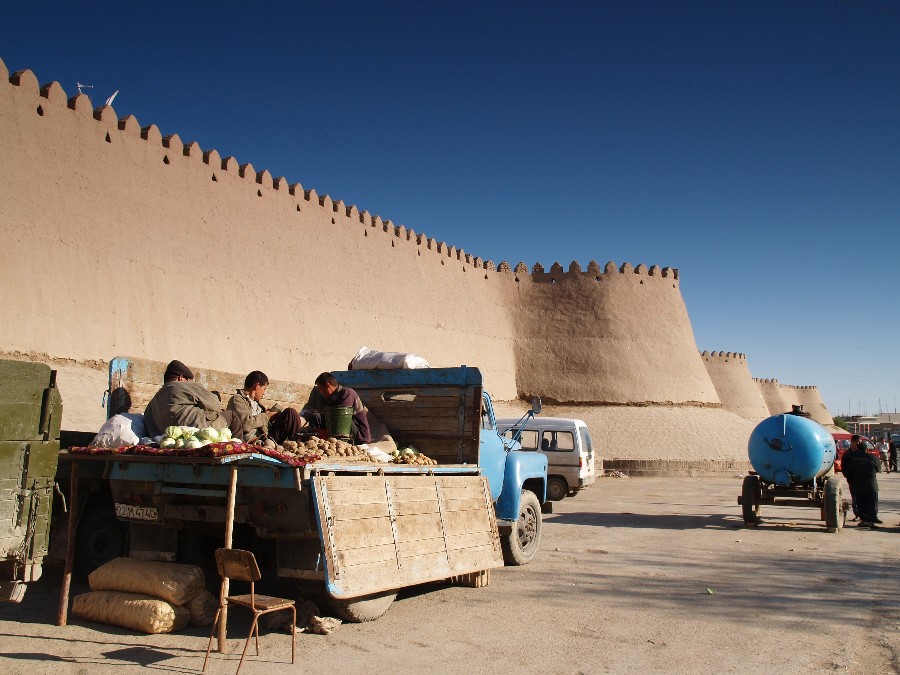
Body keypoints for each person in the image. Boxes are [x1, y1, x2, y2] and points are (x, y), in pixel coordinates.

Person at [143, 360, 241, 438]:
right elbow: (215, 405)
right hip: (196, 430)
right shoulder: (180, 386)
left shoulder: (153, 402)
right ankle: (239, 454)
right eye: (187, 380)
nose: (188, 382)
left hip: (167, 436)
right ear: (180, 378)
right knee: (231, 416)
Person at [227, 370, 304, 444]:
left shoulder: (256, 403)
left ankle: (298, 445)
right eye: (264, 389)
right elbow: (245, 424)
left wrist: (271, 417)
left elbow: (261, 422)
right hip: (254, 440)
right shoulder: (238, 399)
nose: (264, 394)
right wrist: (266, 416)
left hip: (267, 436)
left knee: (290, 413)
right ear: (257, 385)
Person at [301, 372, 371, 444]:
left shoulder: (347, 394)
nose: (320, 392)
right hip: (340, 428)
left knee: (340, 418)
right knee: (316, 416)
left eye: (320, 389)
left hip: (359, 435)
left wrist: (325, 432)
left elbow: (341, 421)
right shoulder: (331, 398)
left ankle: (337, 441)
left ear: (328, 385)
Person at [840, 434, 881, 528]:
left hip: (860, 482)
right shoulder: (848, 455)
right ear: (853, 442)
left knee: (864, 501)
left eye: (860, 442)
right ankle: (863, 517)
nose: (858, 443)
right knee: (860, 500)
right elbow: (845, 469)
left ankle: (870, 518)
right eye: (857, 442)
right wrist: (850, 479)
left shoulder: (855, 458)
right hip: (857, 482)